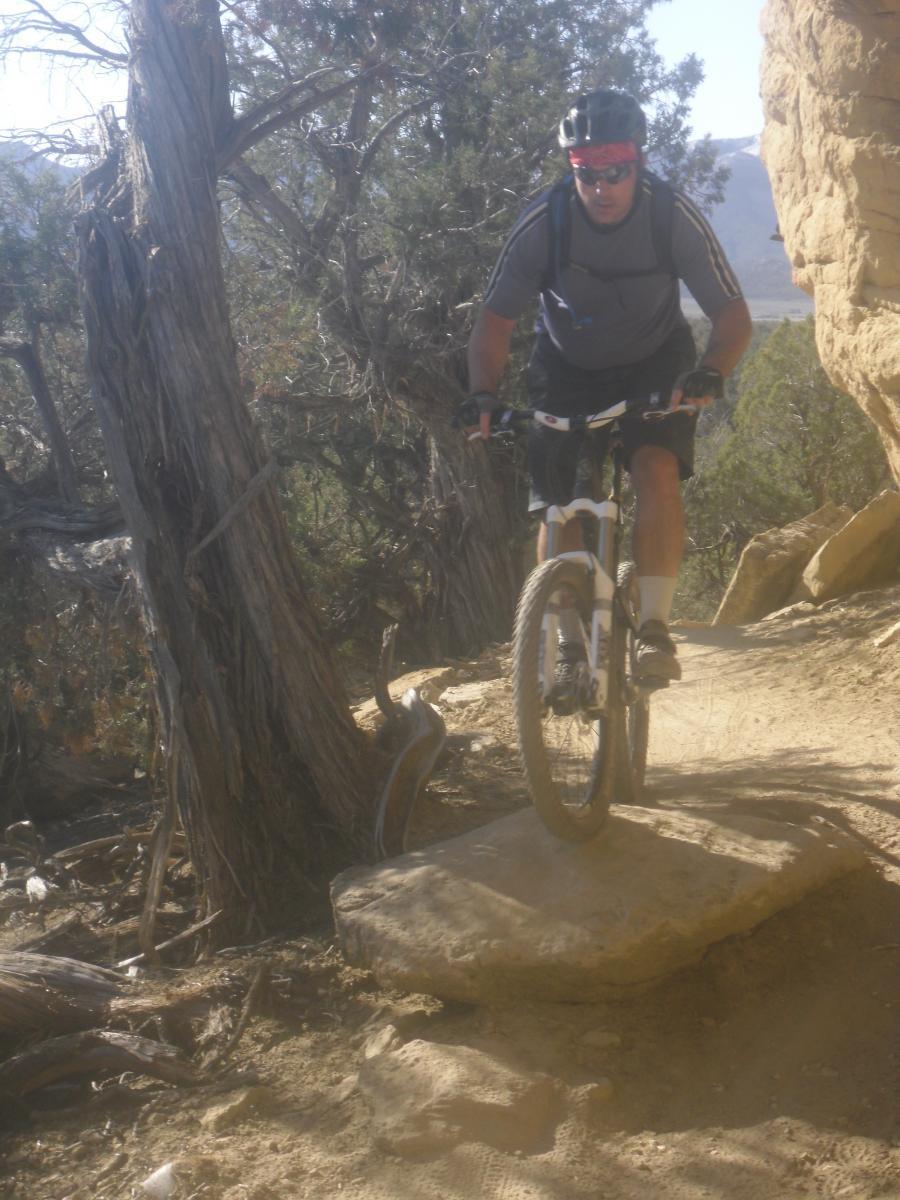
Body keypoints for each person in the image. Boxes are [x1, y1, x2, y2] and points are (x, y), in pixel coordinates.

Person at [465, 89, 752, 685]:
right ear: (573, 170)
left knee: (655, 468)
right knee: (558, 503)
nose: (601, 186)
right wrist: (484, 394)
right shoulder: (545, 222)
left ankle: (653, 629)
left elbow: (731, 314)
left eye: (615, 171)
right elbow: (494, 321)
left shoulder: (670, 213)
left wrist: (711, 373)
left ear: (637, 164)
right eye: (587, 173)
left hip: (655, 361)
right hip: (566, 367)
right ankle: (569, 645)